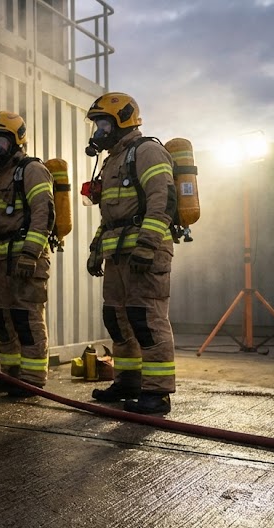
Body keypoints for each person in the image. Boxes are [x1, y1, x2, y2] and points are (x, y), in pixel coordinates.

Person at [83, 92, 176, 414]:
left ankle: (158, 392)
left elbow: (162, 200)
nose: (99, 131)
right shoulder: (113, 161)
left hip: (145, 253)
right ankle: (128, 381)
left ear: (123, 119)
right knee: (117, 319)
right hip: (118, 255)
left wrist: (148, 245)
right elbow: (112, 216)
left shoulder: (147, 151)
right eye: (97, 124)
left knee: (146, 319)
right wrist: (97, 248)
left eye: (104, 123)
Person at [0, 111, 54, 397]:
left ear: (16, 141)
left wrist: (31, 253)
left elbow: (43, 214)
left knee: (26, 317)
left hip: (25, 259)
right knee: (2, 317)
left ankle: (32, 378)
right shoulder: (1, 175)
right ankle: (11, 374)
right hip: (2, 259)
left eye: (0, 141)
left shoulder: (32, 170)